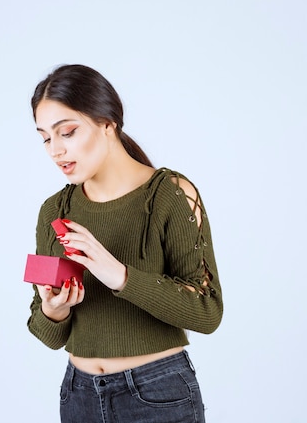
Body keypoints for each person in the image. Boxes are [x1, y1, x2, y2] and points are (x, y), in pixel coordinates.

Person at [27, 64, 223, 423]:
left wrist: (118, 274)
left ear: (107, 124)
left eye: (67, 132)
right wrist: (54, 311)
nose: (55, 150)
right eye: (45, 137)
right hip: (79, 395)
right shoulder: (55, 210)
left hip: (157, 394)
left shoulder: (170, 195)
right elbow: (47, 334)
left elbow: (207, 312)